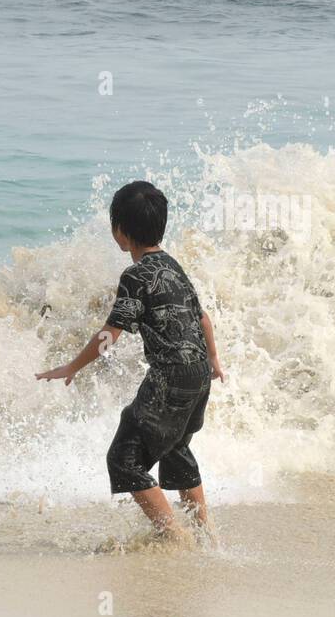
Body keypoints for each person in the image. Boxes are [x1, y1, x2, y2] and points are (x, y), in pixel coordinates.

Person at [37, 181, 224, 543]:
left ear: (119, 231)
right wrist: (213, 360)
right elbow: (202, 318)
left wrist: (73, 366)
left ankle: (174, 537)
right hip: (199, 372)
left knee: (123, 461)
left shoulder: (135, 276)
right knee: (176, 448)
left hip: (170, 375)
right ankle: (205, 533)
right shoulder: (173, 265)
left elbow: (111, 333)